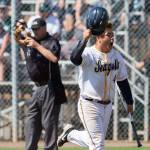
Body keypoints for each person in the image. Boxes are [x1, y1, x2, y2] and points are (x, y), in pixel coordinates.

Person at [57, 21, 134, 150]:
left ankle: (71, 134)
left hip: (107, 105)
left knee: (95, 140)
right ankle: (71, 134)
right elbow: (75, 59)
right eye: (108, 35)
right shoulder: (89, 53)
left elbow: (123, 81)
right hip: (89, 104)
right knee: (97, 144)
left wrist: (129, 102)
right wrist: (84, 39)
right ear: (99, 37)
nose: (112, 38)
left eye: (112, 34)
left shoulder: (116, 56)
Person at [14, 18, 67, 150]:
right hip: (36, 88)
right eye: (33, 29)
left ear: (44, 27)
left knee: (49, 123)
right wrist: (19, 29)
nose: (35, 31)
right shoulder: (31, 40)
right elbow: (20, 41)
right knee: (31, 121)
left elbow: (54, 58)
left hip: (50, 86)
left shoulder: (51, 41)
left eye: (37, 29)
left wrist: (37, 46)